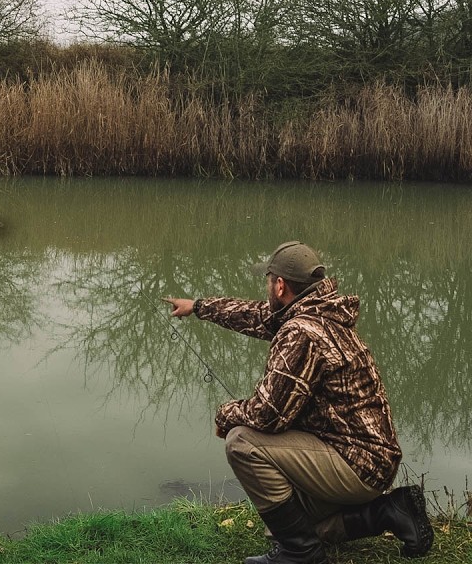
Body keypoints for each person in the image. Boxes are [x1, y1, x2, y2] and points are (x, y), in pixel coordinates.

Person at [163, 241, 433, 564]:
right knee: (292, 525)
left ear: (280, 286)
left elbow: (267, 415)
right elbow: (253, 315)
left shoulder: (302, 333)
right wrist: (197, 306)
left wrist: (225, 414)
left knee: (242, 442)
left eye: (268, 280)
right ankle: (393, 511)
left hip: (356, 463)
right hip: (371, 460)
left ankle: (301, 554)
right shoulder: (319, 311)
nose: (266, 288)